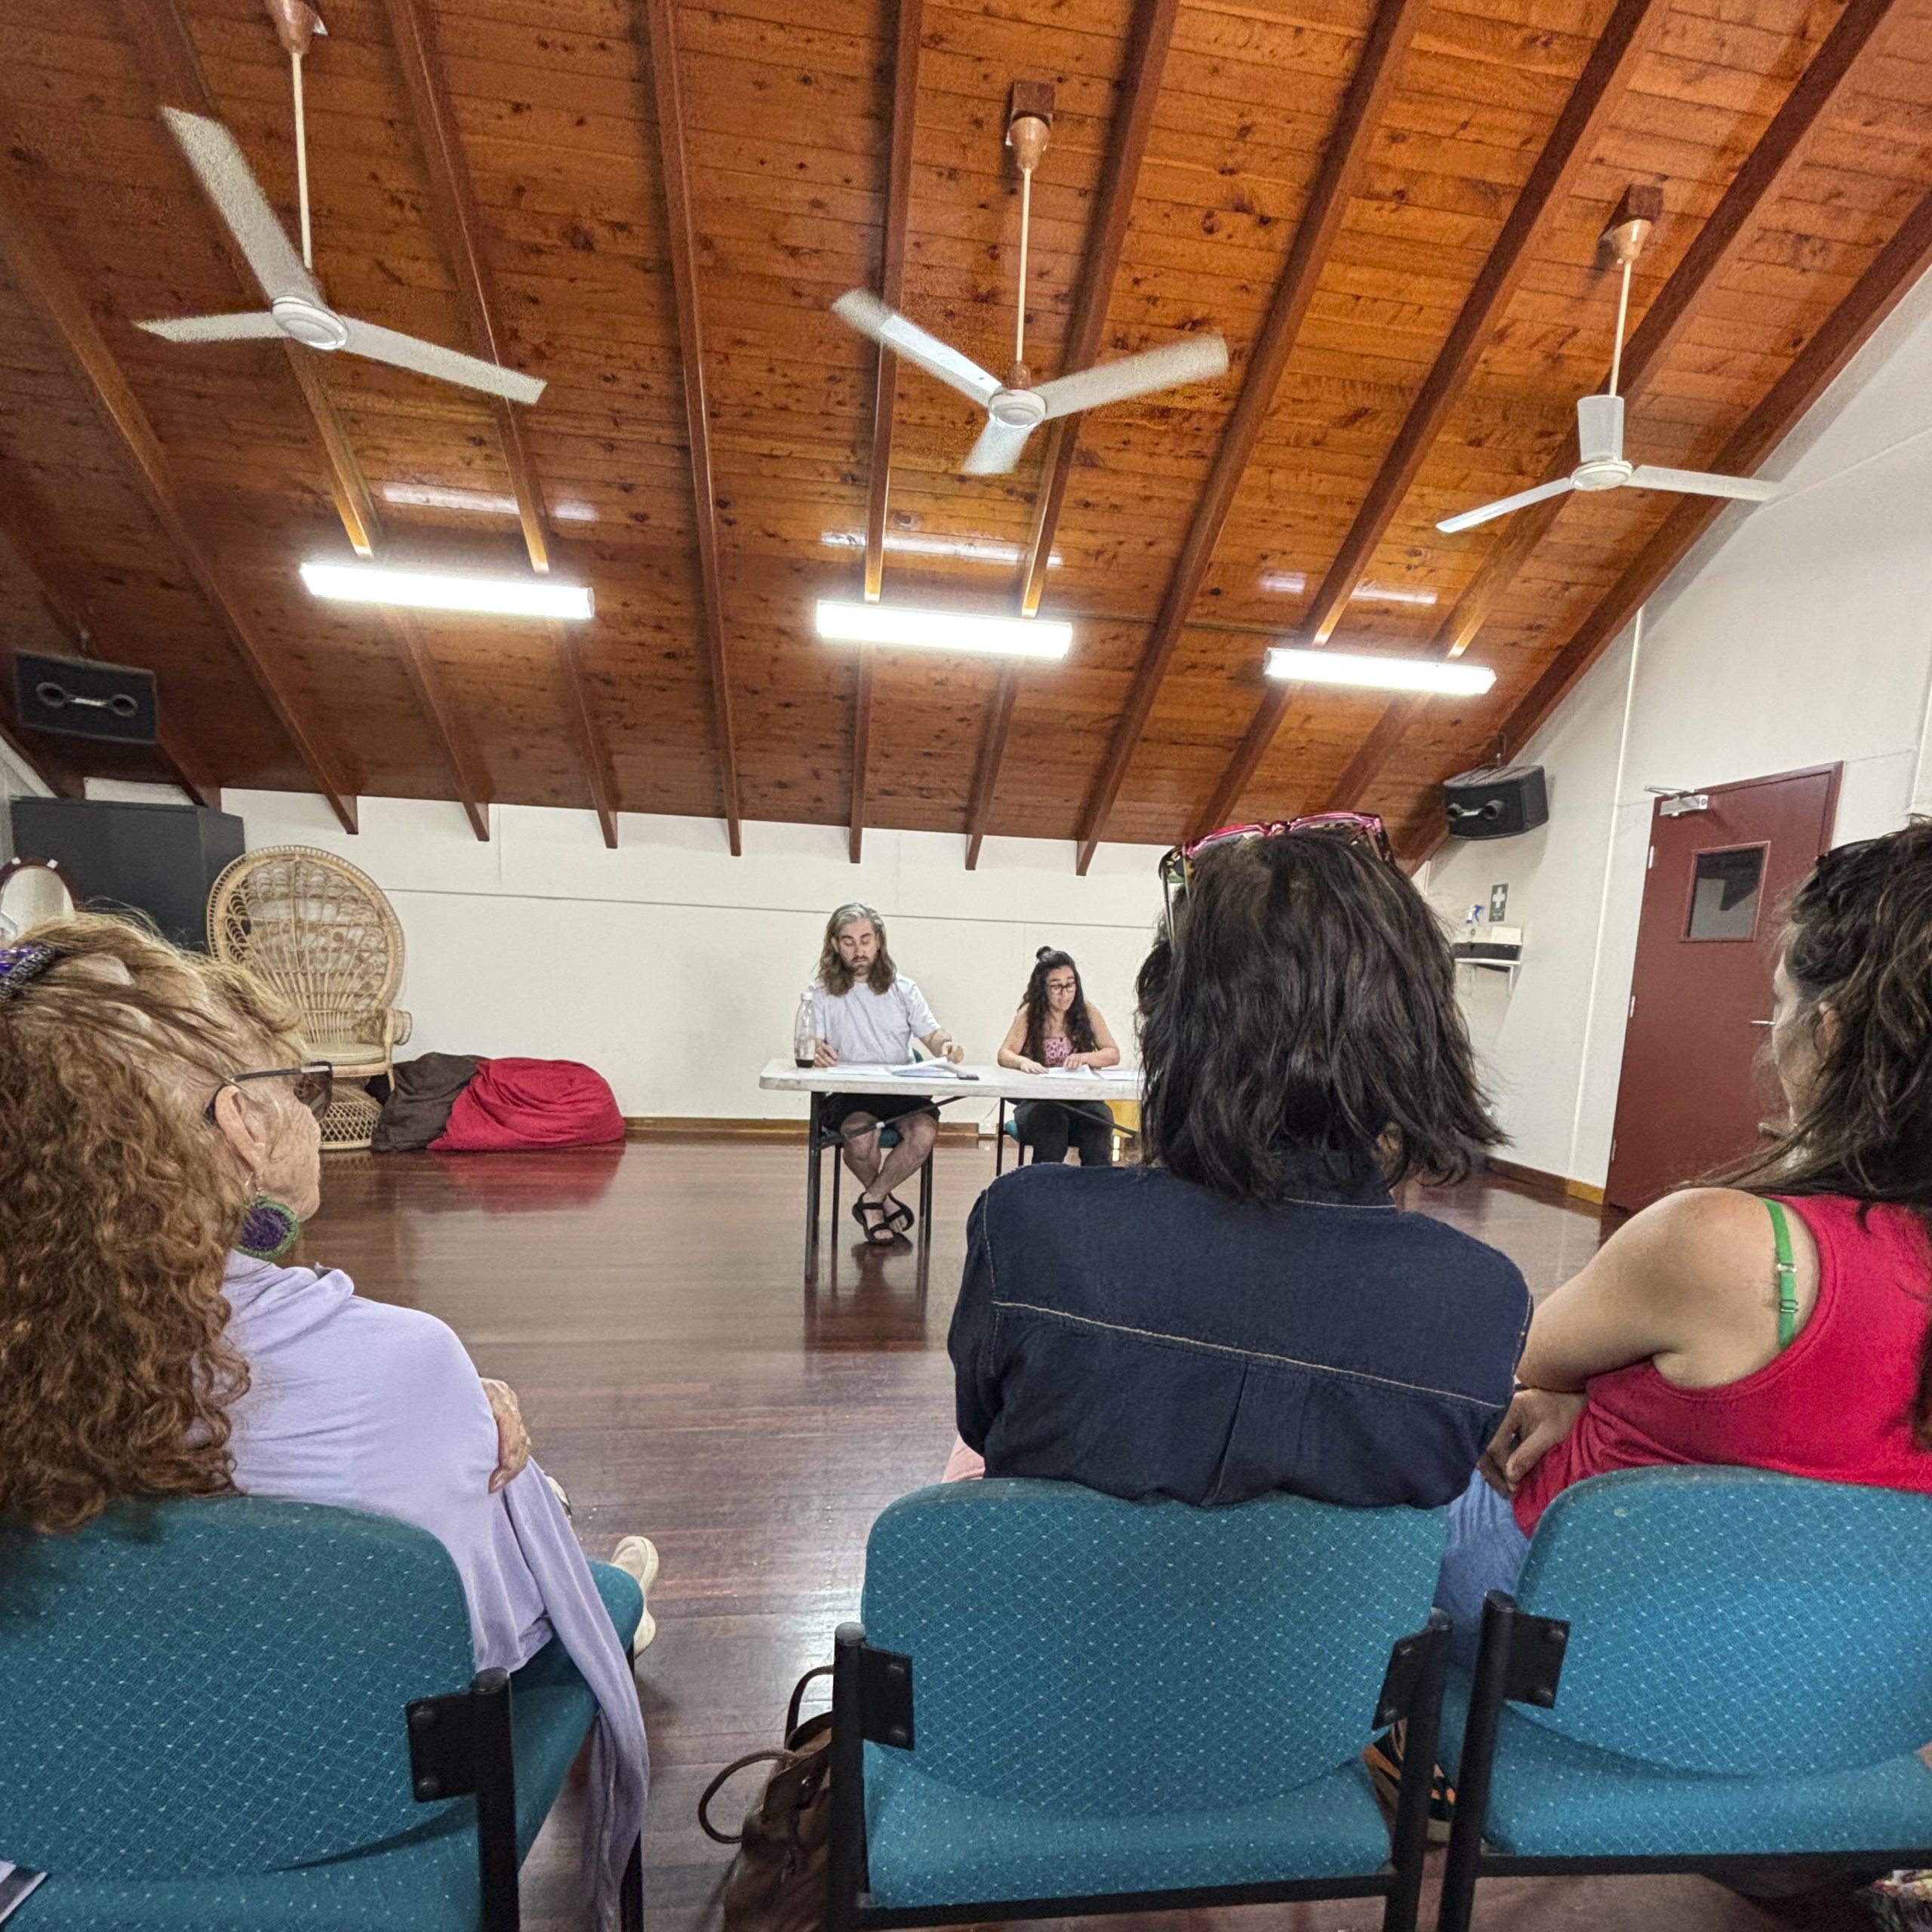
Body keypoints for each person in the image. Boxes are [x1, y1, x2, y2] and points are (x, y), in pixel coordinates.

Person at [0, 918, 651, 1929]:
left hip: (58, 1825)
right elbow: (474, 1632)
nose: (313, 1110)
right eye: (303, 1086)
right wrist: (472, 1431)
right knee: (564, 1562)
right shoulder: (393, 1360)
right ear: (243, 1127)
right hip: (340, 1815)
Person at [948, 818, 1530, 1509]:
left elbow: (984, 1430)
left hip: (1059, 1609)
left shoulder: (1028, 1227)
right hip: (1332, 1620)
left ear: (1171, 1020)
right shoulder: (1481, 1303)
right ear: (1419, 1029)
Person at [1443, 821, 1932, 1639]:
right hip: (1846, 1677)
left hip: (1588, 1640)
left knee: (1392, 1469)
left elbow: (1520, 1357)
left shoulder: (1724, 1242)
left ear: (1829, 1032)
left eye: (1779, 1002)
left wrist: (1570, 1387)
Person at [805, 902, 964, 1245]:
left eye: (865, 939)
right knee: (860, 1137)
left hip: (901, 1087)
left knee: (923, 1133)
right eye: (848, 941)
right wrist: (814, 1048)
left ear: (878, 941)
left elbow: (932, 1035)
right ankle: (883, 1200)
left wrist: (946, 1045)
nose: (858, 949)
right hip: (849, 1090)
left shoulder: (903, 989)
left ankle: (872, 1200)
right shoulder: (820, 992)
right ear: (835, 945)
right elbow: (809, 1040)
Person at [997, 946, 1121, 1168]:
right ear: (1043, 988)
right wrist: (1023, 1062)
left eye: (1070, 984)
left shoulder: (1086, 1010)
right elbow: (1004, 1054)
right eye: (1056, 986)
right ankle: (1047, 1196)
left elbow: (1112, 1054)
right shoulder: (1031, 1013)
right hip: (1040, 1101)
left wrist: (1085, 1058)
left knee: (1099, 1127)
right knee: (1052, 1131)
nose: (1065, 993)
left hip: (1081, 1099)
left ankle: (1097, 1196)